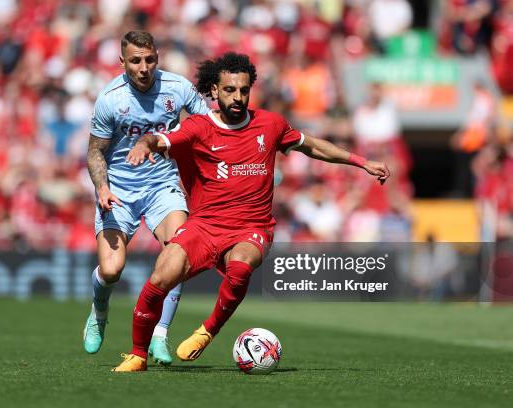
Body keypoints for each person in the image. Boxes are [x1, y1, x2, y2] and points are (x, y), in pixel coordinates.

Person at [113, 52, 390, 371]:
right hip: (204, 226)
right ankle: (137, 355)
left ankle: (208, 330)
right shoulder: (200, 127)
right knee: (162, 274)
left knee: (241, 266)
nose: (238, 97)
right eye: (230, 90)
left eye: (244, 90)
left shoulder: (270, 124)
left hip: (251, 228)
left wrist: (360, 162)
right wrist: (147, 143)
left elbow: (311, 146)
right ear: (215, 91)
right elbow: (164, 139)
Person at [83, 30, 209, 365]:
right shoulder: (110, 98)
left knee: (178, 255)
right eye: (136, 60)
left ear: (158, 56)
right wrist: (102, 188)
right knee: (112, 270)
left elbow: (207, 125)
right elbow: (95, 152)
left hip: (162, 186)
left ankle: (160, 335)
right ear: (122, 61)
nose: (144, 67)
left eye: (150, 59)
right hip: (119, 191)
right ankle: (99, 309)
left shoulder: (178, 88)